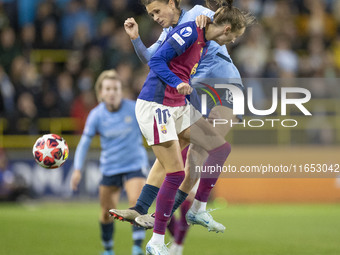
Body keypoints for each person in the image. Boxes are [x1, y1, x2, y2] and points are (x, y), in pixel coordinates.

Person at [112, 1, 254, 253]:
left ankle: (180, 212)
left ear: (171, 2)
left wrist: (207, 19)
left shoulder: (199, 15)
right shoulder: (175, 32)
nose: (155, 17)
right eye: (151, 14)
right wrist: (136, 39)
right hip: (184, 93)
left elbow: (223, 18)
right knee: (184, 158)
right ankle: (159, 220)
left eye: (157, 11)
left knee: (208, 150)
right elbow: (154, 59)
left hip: (224, 87)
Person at [70, 70, 148, 255]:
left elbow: (152, 131)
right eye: (108, 89)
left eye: (115, 88)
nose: (112, 92)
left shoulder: (135, 108)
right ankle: (108, 250)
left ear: (121, 91)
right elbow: (84, 142)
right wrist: (77, 169)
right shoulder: (96, 115)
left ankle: (137, 249)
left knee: (136, 205)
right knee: (107, 212)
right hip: (110, 167)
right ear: (101, 93)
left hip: (134, 164)